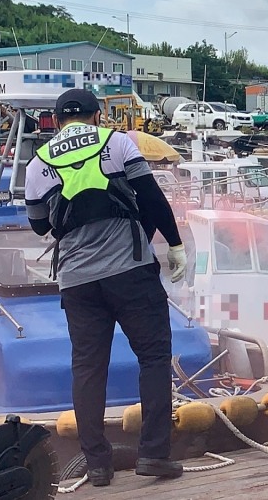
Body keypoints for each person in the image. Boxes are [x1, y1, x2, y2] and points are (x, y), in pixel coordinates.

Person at [25, 89, 187, 486]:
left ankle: (97, 465)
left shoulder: (38, 162)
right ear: (97, 116)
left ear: (56, 121)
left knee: (88, 367)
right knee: (153, 357)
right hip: (130, 271)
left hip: (77, 280)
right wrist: (175, 243)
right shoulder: (117, 143)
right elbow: (151, 198)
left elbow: (39, 224)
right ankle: (154, 455)